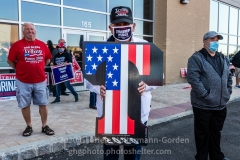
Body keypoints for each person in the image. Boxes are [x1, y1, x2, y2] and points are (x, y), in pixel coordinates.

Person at [86, 6, 157, 160]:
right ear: (110, 27)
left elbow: (159, 75)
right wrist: (98, 88)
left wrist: (147, 84)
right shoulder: (100, 50)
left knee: (132, 156)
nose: (121, 28)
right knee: (110, 156)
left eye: (125, 24)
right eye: (117, 25)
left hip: (137, 114)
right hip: (109, 116)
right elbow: (88, 80)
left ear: (134, 26)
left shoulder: (145, 47)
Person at [187, 31, 232, 160]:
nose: (215, 42)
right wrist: (205, 95)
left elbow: (229, 76)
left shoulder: (223, 58)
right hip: (203, 105)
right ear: (205, 41)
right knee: (202, 134)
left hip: (220, 105)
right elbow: (193, 79)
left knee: (216, 133)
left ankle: (216, 156)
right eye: (212, 39)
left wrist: (228, 92)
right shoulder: (197, 58)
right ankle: (201, 157)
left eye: (217, 40)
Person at [7, 22, 54, 136]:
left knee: (43, 104)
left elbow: (47, 59)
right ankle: (29, 126)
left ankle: (44, 126)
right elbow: (10, 61)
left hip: (40, 80)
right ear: (23, 32)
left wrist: (39, 68)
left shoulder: (42, 45)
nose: (30, 31)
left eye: (32, 29)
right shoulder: (17, 45)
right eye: (27, 29)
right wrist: (19, 70)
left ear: (35, 31)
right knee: (25, 105)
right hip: (23, 81)